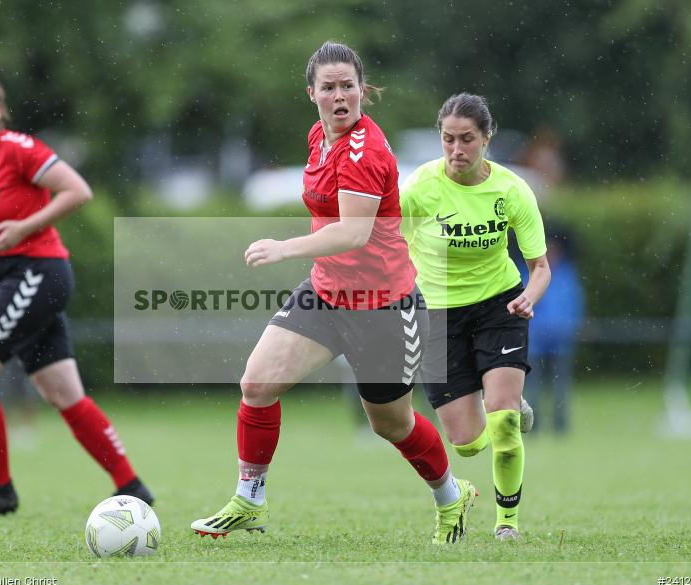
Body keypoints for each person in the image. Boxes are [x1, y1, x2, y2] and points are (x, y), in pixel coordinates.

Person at [191, 42, 475, 545]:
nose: (340, 96)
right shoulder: (318, 138)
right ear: (312, 93)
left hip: (385, 308)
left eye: (348, 86)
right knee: (256, 385)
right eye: (329, 87)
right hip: (326, 294)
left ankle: (449, 496)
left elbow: (352, 233)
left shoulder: (365, 150)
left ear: (363, 90)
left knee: (392, 424)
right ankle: (248, 498)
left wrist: (284, 247)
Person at [0, 71, 153, 517]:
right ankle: (132, 485)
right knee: (63, 392)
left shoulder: (19, 149)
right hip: (12, 279)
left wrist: (25, 226)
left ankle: (0, 489)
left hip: (38, 272)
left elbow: (78, 190)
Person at [400, 93, 551, 540]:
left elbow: (540, 267)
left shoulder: (511, 190)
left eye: (467, 139)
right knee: (465, 444)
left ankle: (508, 522)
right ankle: (499, 414)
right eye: (448, 139)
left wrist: (530, 298)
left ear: (487, 138)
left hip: (500, 307)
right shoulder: (419, 190)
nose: (456, 150)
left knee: (503, 420)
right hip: (438, 316)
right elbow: (387, 246)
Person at [521, 226, 584, 433]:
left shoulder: (567, 275)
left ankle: (560, 423)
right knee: (533, 385)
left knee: (560, 386)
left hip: (561, 338)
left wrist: (573, 326)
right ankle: (533, 424)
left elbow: (574, 304)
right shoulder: (528, 273)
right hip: (535, 338)